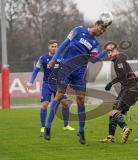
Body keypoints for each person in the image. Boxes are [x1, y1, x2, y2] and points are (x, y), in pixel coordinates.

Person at [44, 13, 112, 144]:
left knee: (81, 100)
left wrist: (105, 51)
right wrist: (53, 59)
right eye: (102, 28)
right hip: (66, 68)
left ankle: (81, 131)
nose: (102, 31)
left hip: (80, 73)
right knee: (59, 96)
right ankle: (47, 127)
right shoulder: (78, 30)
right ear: (97, 24)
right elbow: (64, 45)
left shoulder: (95, 44)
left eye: (105, 30)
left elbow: (93, 60)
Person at [26, 40, 75, 133]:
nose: (54, 48)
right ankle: (43, 126)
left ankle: (66, 125)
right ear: (49, 47)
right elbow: (36, 70)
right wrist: (30, 81)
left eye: (56, 46)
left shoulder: (60, 58)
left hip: (58, 84)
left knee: (65, 103)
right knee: (45, 104)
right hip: (47, 84)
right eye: (52, 46)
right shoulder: (43, 58)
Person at [99, 42, 138, 144]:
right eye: (108, 53)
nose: (109, 55)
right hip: (128, 89)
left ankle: (125, 128)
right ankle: (110, 137)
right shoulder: (120, 59)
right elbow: (132, 77)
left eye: (111, 51)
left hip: (129, 90)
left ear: (116, 50)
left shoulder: (119, 60)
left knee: (114, 111)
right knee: (113, 112)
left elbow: (123, 75)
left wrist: (110, 83)